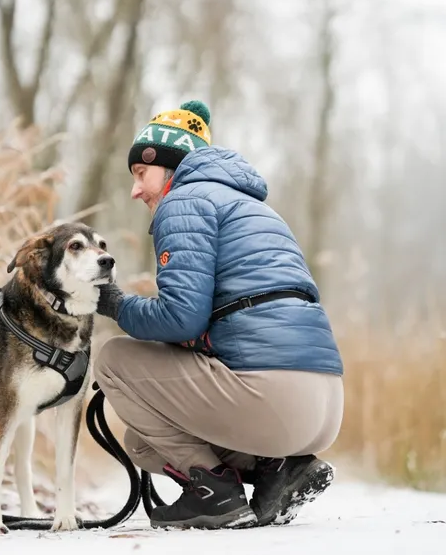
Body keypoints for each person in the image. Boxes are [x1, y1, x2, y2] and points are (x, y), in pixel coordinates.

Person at [95, 100, 344, 530]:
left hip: (274, 398)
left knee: (112, 359)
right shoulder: (255, 208)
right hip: (324, 408)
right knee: (142, 443)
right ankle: (278, 469)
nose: (136, 190)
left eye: (141, 174)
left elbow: (181, 319)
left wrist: (115, 304)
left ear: (169, 166)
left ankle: (214, 495)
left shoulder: (184, 202)